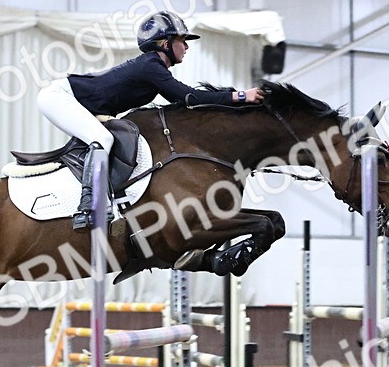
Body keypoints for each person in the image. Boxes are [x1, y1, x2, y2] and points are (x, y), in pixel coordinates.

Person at [37, 11, 265, 230]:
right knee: (103, 138)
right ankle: (89, 207)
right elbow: (189, 96)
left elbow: (187, 104)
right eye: (181, 40)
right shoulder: (150, 66)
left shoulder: (153, 68)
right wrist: (241, 96)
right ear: (165, 43)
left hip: (74, 100)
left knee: (104, 138)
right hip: (59, 97)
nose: (186, 46)